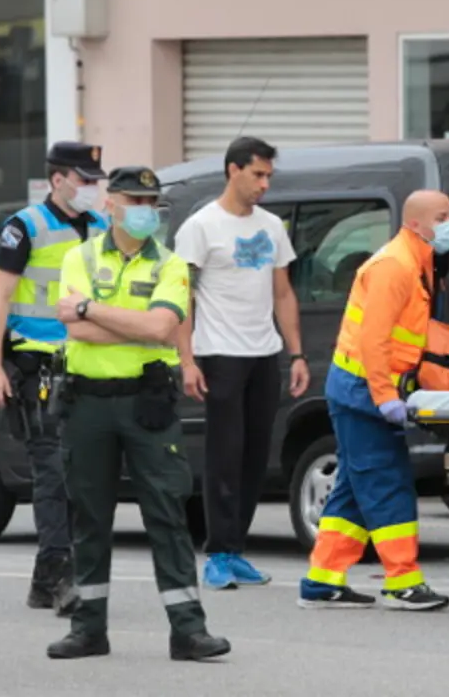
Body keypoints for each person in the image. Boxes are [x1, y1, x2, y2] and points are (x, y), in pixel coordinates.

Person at [46, 166, 230, 661]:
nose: (144, 209)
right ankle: (88, 629)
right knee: (89, 516)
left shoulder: (170, 265)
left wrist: (91, 310)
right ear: (110, 203)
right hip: (86, 402)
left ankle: (188, 631)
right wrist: (127, 324)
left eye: (151, 201)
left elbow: (164, 330)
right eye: (134, 199)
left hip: (148, 402)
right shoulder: (77, 257)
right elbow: (76, 329)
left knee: (168, 514)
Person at [297, 190, 449, 611]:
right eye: (442, 217)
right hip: (364, 389)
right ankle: (402, 580)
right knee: (387, 481)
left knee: (354, 483)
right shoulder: (394, 266)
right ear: (417, 223)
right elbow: (374, 339)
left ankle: (322, 579)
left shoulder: (414, 261)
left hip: (363, 386)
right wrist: (386, 398)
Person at [173, 136, 310, 591]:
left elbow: (283, 292)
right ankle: (216, 552)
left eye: (269, 175)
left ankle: (236, 550)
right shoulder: (200, 226)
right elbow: (183, 297)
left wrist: (296, 353)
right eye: (257, 174)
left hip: (263, 352)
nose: (264, 184)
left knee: (255, 457)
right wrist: (187, 359)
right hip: (219, 353)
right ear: (233, 170)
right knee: (224, 454)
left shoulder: (271, 226)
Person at [0, 140, 109, 616]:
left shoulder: (100, 226)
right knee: (52, 471)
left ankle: (43, 580)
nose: (92, 188)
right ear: (58, 180)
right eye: (84, 180)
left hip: (85, 363)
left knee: (81, 471)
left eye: (96, 181)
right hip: (37, 365)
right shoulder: (25, 227)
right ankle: (59, 577)